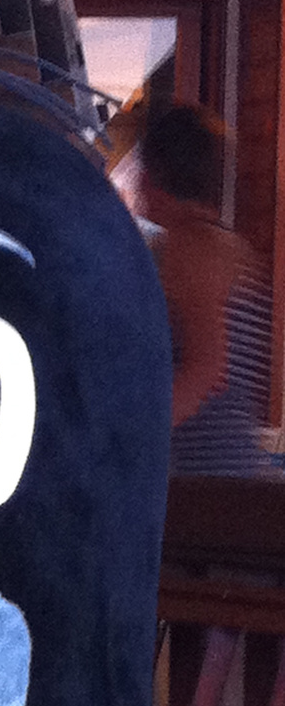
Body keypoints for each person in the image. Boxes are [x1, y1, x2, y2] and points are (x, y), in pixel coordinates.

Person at [123, 102, 274, 476]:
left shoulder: (190, 250)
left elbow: (208, 370)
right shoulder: (233, 249)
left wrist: (123, 436)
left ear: (151, 177)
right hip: (232, 478)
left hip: (202, 488)